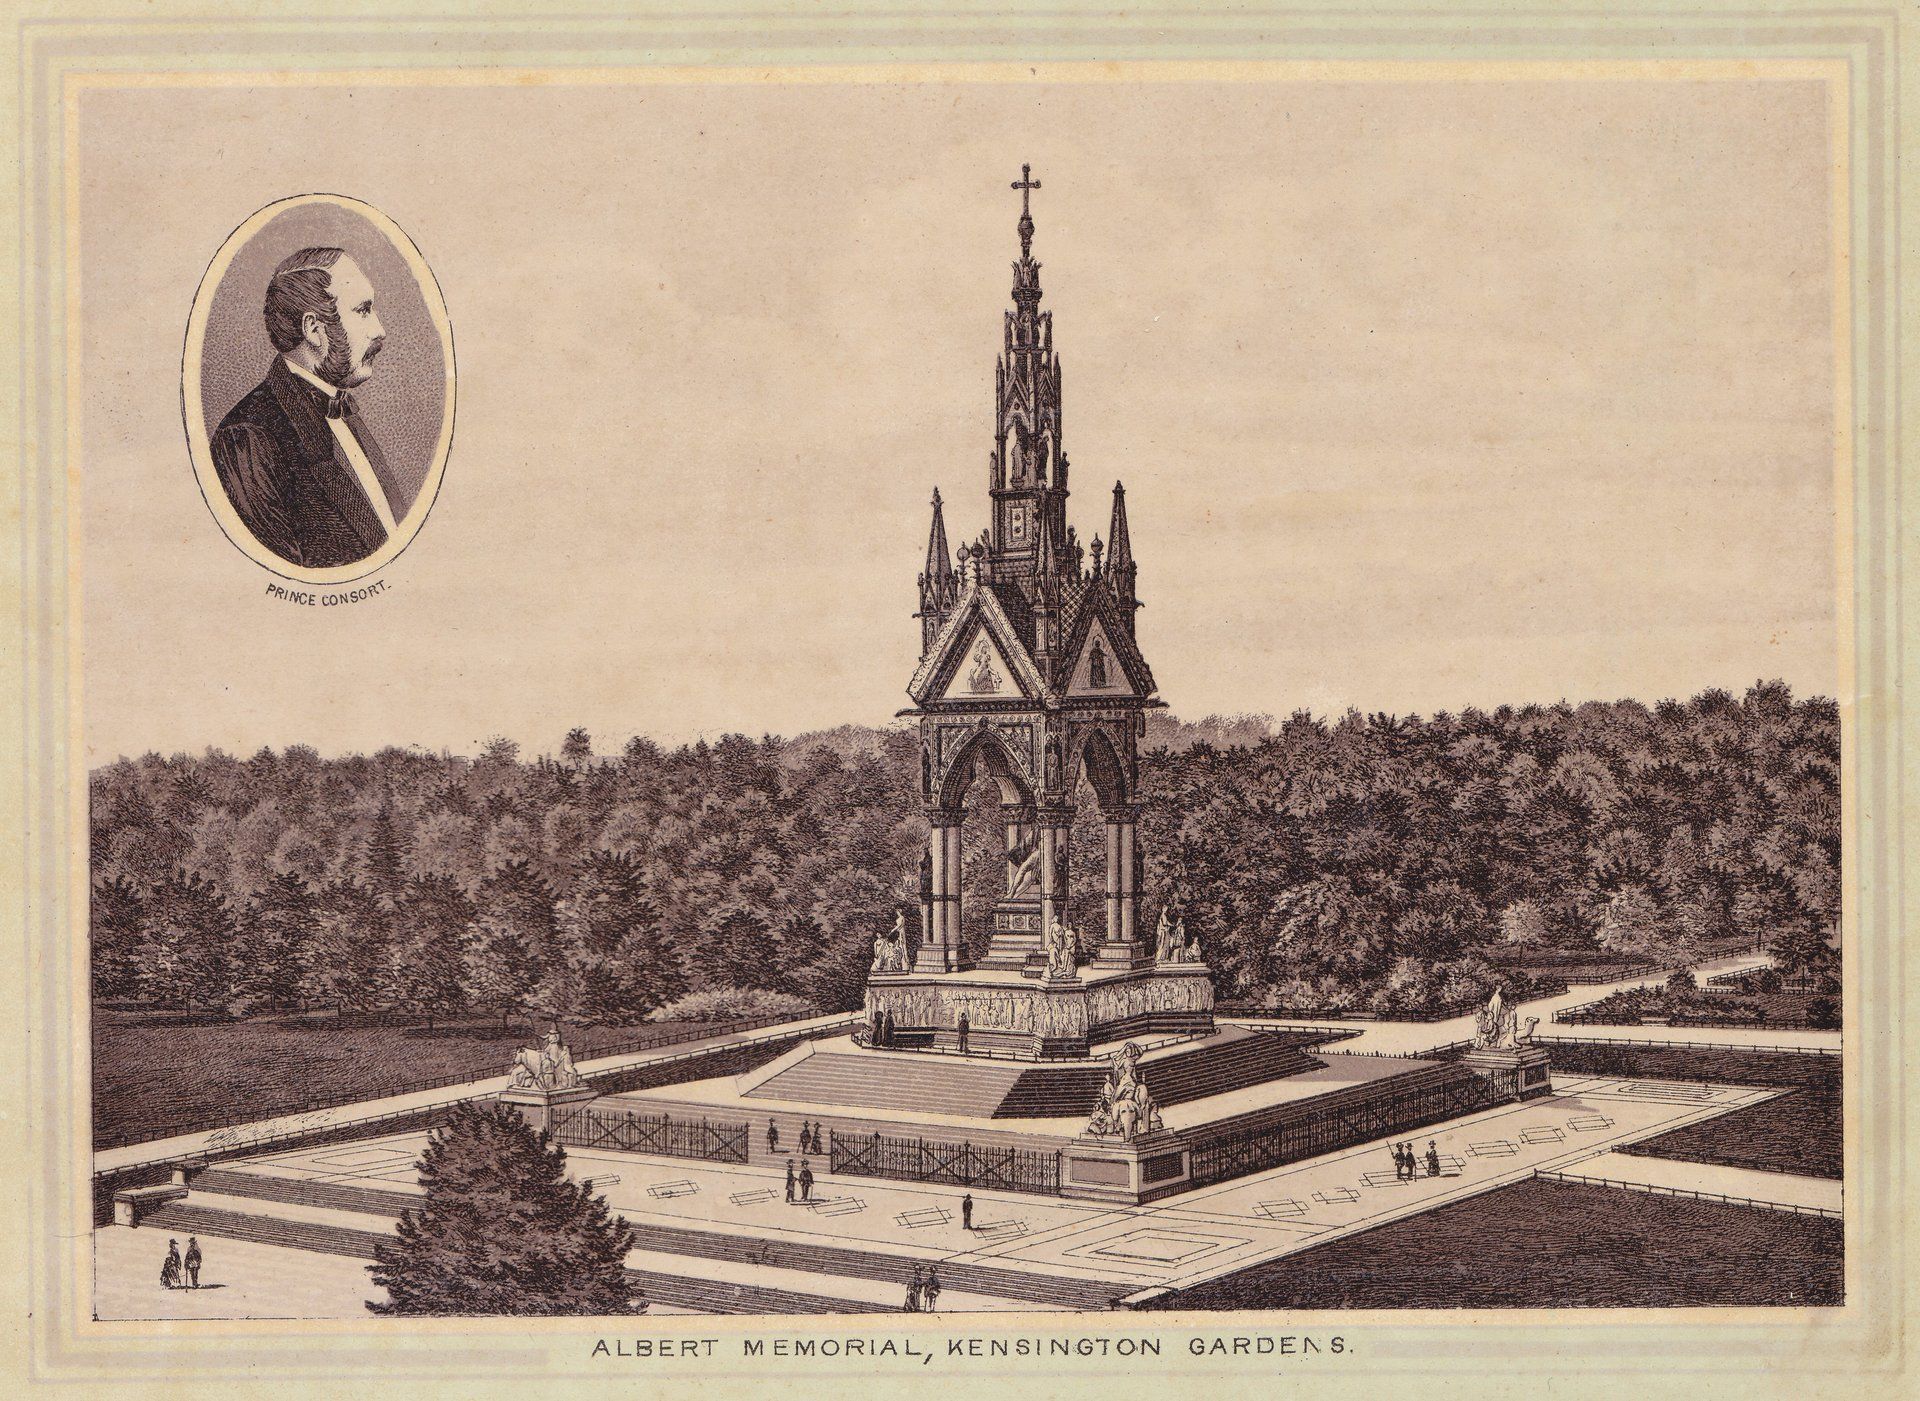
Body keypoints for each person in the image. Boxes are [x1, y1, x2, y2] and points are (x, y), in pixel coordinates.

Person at [210, 247, 416, 568]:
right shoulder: (245, 438)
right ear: (314, 330)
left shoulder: (343, 407)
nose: (380, 329)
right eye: (363, 310)